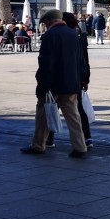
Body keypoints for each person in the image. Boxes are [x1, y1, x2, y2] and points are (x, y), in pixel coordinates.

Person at [21, 8, 87, 158]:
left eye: (45, 23)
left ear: (49, 22)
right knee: (73, 117)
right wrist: (80, 80)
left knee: (43, 115)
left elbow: (46, 63)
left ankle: (38, 145)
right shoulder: (73, 34)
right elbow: (80, 60)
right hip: (71, 83)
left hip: (53, 84)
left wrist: (43, 85)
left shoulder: (50, 35)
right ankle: (80, 146)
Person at [46, 12, 93, 150]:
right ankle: (87, 138)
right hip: (77, 77)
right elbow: (85, 58)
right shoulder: (80, 35)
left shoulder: (65, 35)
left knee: (52, 107)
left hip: (63, 77)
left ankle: (49, 137)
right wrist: (86, 77)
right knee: (77, 108)